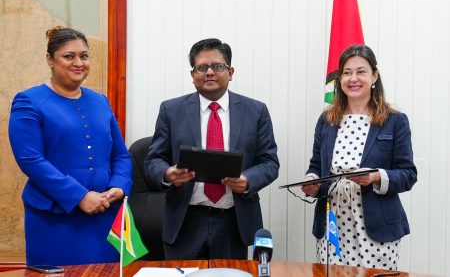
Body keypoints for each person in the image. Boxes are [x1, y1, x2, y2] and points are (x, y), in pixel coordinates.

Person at [145, 38, 279, 260]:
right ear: (192, 75)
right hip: (185, 221)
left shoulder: (255, 111)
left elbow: (269, 162)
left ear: (230, 71)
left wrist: (247, 180)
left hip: (233, 222)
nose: (209, 72)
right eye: (201, 67)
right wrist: (168, 174)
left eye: (217, 66)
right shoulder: (171, 110)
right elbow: (153, 161)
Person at [8, 26, 132, 266]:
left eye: (84, 56)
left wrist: (119, 185)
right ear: (49, 60)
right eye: (69, 56)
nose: (79, 62)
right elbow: (31, 160)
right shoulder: (29, 101)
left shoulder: (100, 101)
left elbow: (121, 156)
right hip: (55, 220)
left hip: (105, 218)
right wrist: (79, 197)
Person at [301, 45, 417, 270]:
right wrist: (311, 181)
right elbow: (316, 165)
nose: (353, 78)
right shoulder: (326, 120)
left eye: (361, 71)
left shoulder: (395, 121)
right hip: (332, 223)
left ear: (374, 76)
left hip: (376, 228)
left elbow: (408, 174)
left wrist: (375, 177)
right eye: (346, 72)